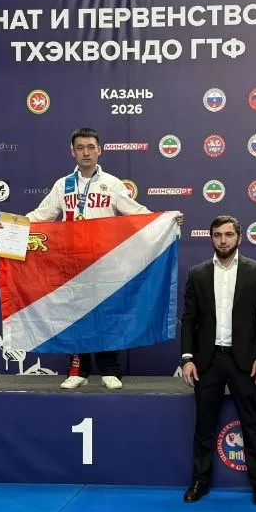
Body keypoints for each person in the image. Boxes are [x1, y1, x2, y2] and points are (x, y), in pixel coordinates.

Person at [26, 126, 181, 390]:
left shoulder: (112, 184)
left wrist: (165, 220)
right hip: (72, 264)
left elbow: (136, 213)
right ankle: (78, 371)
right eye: (80, 148)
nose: (85, 153)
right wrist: (14, 225)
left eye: (90, 147)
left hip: (105, 262)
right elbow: (42, 215)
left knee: (106, 315)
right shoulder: (63, 185)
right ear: (72, 152)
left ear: (99, 150)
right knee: (75, 316)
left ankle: (110, 370)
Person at [178, 215, 256, 506]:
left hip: (244, 361)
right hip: (207, 361)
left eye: (228, 234)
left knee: (252, 424)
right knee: (204, 425)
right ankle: (200, 481)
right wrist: (187, 358)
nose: (223, 240)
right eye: (217, 235)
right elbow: (189, 319)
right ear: (211, 238)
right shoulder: (197, 273)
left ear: (239, 238)